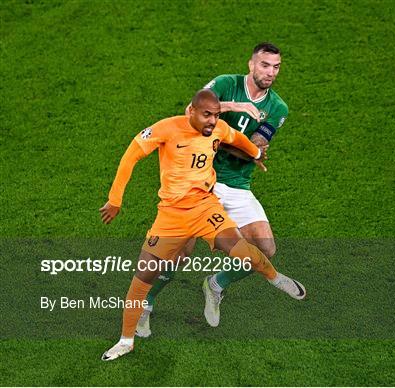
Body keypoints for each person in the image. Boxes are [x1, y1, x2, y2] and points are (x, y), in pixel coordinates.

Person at [100, 89, 305, 361]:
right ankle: (126, 341)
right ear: (191, 112)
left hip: (205, 208)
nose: (212, 121)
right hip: (171, 217)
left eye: (216, 115)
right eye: (207, 115)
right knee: (143, 276)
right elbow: (131, 155)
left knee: (242, 250)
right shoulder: (166, 129)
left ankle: (275, 278)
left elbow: (237, 138)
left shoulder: (219, 128)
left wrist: (255, 152)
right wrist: (115, 200)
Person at [137, 42, 292, 333]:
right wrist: (235, 107)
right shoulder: (225, 84)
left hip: (238, 185)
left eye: (276, 67)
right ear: (251, 64)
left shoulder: (277, 108)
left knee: (265, 248)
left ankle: (215, 284)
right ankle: (146, 304)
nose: (270, 72)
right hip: (200, 179)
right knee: (179, 252)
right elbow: (190, 112)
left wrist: (218, 140)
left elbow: (255, 148)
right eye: (264, 65)